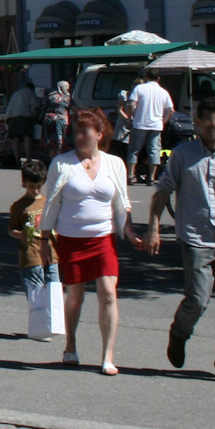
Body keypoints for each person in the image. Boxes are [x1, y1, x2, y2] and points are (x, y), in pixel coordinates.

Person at [148, 95, 215, 385]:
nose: (213, 124)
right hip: (196, 237)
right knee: (198, 299)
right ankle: (179, 333)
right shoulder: (182, 154)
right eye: (207, 119)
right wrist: (154, 228)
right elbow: (163, 190)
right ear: (197, 123)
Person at [37, 108, 139, 374]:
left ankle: (108, 357)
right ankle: (70, 345)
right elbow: (50, 204)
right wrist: (44, 240)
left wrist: (129, 232)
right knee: (75, 296)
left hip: (103, 238)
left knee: (108, 293)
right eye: (77, 132)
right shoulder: (61, 163)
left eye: (85, 131)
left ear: (99, 134)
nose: (80, 136)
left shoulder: (115, 163)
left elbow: (123, 203)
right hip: (71, 239)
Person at [10, 158, 60, 340]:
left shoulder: (48, 203)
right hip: (30, 254)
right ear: (24, 183)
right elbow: (11, 229)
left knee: (54, 287)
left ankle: (54, 323)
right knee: (36, 291)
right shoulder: (19, 207)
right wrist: (20, 234)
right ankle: (40, 327)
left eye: (39, 186)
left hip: (51, 253)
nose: (36, 190)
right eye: (32, 186)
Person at [126, 71, 175, 184]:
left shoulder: (139, 88)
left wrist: (130, 117)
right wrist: (163, 121)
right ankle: (151, 177)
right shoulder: (164, 92)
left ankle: (131, 175)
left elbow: (131, 104)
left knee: (134, 150)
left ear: (147, 77)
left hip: (139, 123)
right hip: (156, 125)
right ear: (158, 78)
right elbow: (171, 110)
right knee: (154, 150)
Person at [5, 80, 38, 162]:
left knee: (16, 139)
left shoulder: (16, 93)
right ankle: (28, 158)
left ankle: (17, 158)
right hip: (24, 117)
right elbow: (34, 105)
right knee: (27, 138)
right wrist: (34, 114)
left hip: (12, 118)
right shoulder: (30, 92)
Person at [40, 81, 72, 155]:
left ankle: (53, 159)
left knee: (51, 142)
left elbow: (43, 106)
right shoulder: (67, 97)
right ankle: (59, 158)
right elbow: (72, 107)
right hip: (62, 121)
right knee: (61, 142)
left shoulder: (50, 95)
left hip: (49, 120)